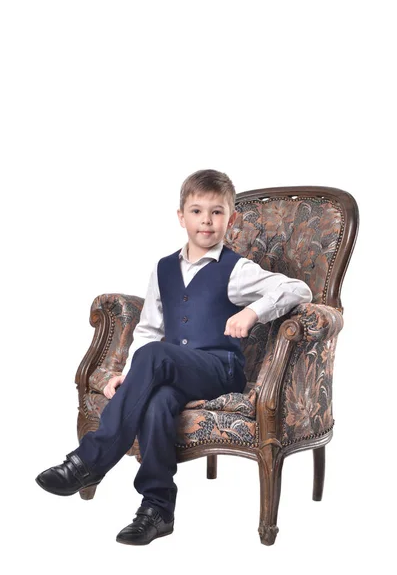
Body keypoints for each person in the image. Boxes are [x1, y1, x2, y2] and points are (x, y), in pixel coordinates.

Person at [36, 169, 312, 545]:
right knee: (156, 403)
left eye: (216, 212)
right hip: (171, 370)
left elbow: (299, 289)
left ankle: (90, 461)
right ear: (181, 217)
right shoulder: (163, 268)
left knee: (154, 358)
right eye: (197, 211)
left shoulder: (237, 270)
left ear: (230, 220)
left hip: (219, 369)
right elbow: (149, 328)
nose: (206, 221)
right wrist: (130, 376)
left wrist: (253, 312)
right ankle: (157, 509)